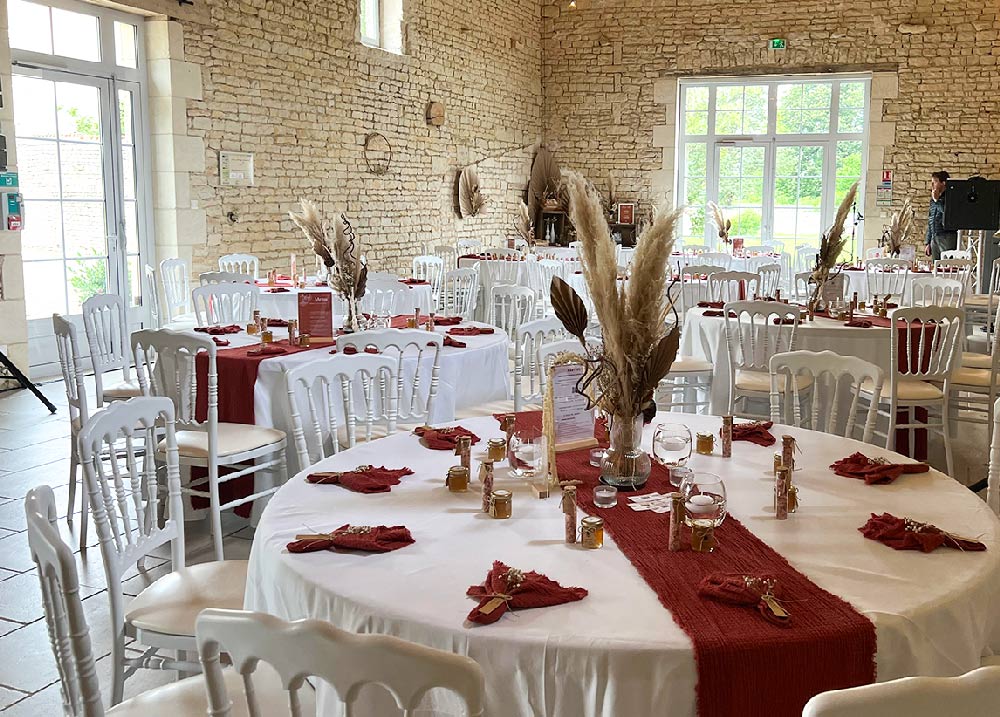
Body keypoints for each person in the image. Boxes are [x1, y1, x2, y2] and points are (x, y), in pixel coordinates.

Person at [925, 170, 958, 260]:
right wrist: (928, 242)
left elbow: (948, 214)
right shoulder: (933, 199)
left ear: (943, 183)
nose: (932, 185)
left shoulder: (952, 197)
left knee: (947, 266)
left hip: (947, 236)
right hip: (934, 237)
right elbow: (930, 220)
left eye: (935, 182)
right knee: (935, 267)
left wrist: (937, 200)